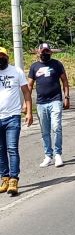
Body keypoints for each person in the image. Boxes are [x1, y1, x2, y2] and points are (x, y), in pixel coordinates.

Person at [27, 43, 70, 168]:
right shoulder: (34, 67)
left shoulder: (57, 64)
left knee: (56, 126)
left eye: (47, 52)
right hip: (41, 102)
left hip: (55, 100)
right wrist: (26, 102)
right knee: (45, 130)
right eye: (43, 52)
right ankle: (48, 155)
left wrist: (66, 97)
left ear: (50, 52)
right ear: (38, 52)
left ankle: (57, 154)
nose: (45, 54)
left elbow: (65, 81)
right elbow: (29, 85)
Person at [0, 46, 33, 196]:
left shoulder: (16, 71)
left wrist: (29, 111)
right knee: (1, 150)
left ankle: (14, 179)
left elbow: (26, 91)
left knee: (12, 148)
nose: (0, 59)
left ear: (7, 57)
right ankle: (4, 178)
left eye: (2, 56)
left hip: (13, 116)